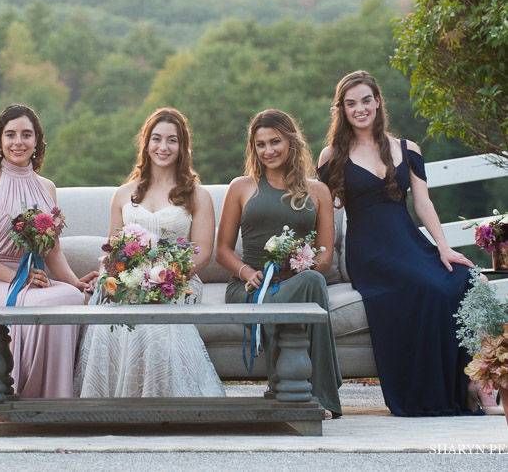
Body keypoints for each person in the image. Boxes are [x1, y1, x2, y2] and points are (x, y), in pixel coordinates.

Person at [317, 70, 495, 417]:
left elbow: (423, 204)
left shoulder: (407, 149)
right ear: (342, 110)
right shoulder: (331, 156)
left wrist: (443, 246)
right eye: (351, 103)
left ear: (378, 101)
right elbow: (322, 207)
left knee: (469, 280)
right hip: (370, 252)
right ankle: (430, 392)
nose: (360, 109)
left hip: (409, 242)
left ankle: (472, 382)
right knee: (429, 287)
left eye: (366, 100)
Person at [76, 108, 224, 397]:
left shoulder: (198, 195)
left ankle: (163, 403)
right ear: (146, 144)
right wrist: (116, 278)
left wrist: (165, 280)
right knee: (109, 324)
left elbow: (203, 252)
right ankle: (115, 405)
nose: (163, 147)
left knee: (154, 328)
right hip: (129, 284)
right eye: (156, 139)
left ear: (183, 147)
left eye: (172, 140)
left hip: (178, 283)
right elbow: (113, 248)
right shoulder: (123, 194)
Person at [0, 104, 93, 398]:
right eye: (10, 135)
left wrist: (74, 281)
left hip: (33, 277)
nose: (18, 142)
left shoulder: (47, 187)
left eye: (26, 135)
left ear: (36, 141)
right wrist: (17, 279)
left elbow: (52, 249)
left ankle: (56, 396)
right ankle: (25, 392)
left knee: (71, 296)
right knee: (45, 300)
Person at [216, 109, 342, 417]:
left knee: (312, 283)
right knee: (308, 291)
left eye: (275, 142)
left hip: (298, 280)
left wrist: (305, 266)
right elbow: (222, 250)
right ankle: (314, 395)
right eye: (260, 144)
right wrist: (246, 271)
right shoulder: (241, 187)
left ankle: (302, 392)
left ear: (291, 142)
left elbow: (326, 254)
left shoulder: (318, 191)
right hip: (251, 287)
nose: (268, 151)